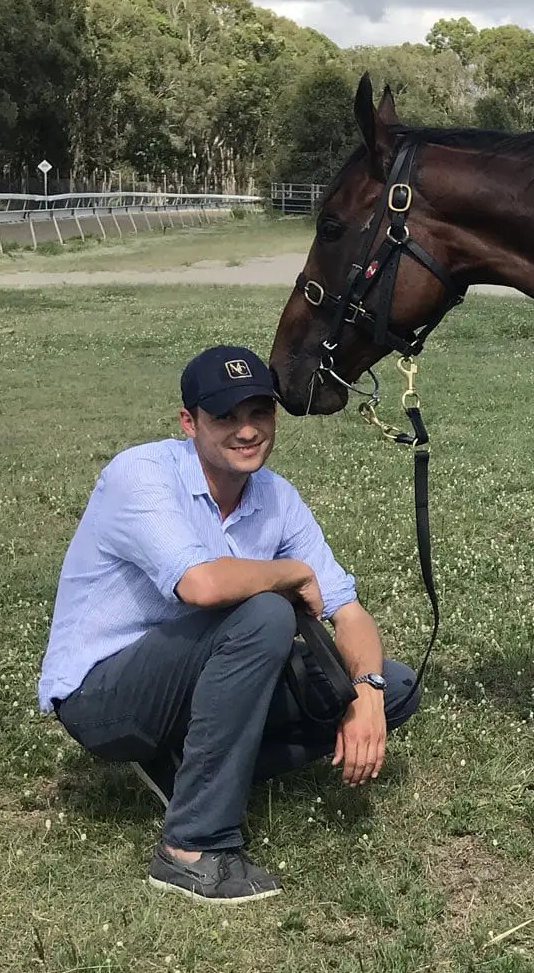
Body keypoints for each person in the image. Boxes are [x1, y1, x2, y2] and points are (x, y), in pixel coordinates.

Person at [39, 345, 421, 904]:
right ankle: (192, 848)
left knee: (396, 686)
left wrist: (366, 692)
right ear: (188, 422)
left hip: (202, 676)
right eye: (225, 417)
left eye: (259, 413)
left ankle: (183, 772)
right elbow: (202, 586)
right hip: (106, 697)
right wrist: (290, 573)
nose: (247, 431)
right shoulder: (140, 474)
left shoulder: (275, 496)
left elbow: (347, 610)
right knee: (264, 612)